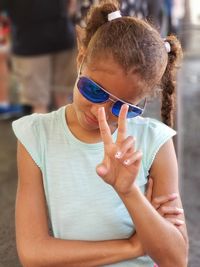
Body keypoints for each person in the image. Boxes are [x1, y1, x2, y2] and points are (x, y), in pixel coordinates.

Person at [12, 1, 188, 266]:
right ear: (80, 59)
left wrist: (129, 192)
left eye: (122, 107)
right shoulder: (36, 136)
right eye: (94, 90)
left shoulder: (155, 142)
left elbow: (176, 259)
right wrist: (134, 245)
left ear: (141, 103)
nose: (101, 113)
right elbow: (33, 253)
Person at [1, 0, 77, 114]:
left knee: (40, 105)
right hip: (59, 35)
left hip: (30, 41)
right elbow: (72, 6)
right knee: (60, 100)